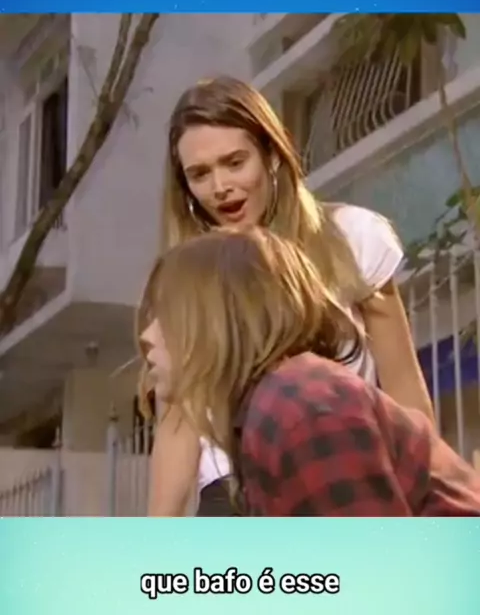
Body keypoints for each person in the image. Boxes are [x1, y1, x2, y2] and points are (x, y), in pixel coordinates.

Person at [140, 76, 434, 516]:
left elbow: (406, 390)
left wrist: (429, 515)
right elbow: (178, 427)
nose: (220, 186)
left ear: (272, 154)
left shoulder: (352, 238)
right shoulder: (187, 284)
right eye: (200, 174)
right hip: (231, 503)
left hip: (340, 482)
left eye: (234, 162)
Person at [138, 228, 480, 516]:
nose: (146, 336)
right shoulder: (275, 406)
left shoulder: (298, 407)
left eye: (165, 314)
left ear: (219, 321)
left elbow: (368, 567)